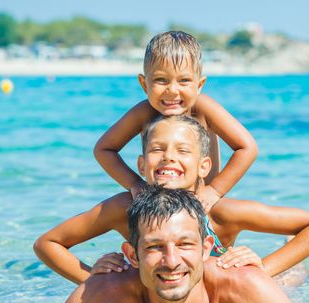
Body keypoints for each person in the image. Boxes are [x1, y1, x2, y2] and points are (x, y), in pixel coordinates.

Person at [34, 115, 309, 284]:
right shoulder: (125, 208)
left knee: (288, 283)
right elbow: (47, 243)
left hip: (222, 288)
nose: (168, 157)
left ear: (203, 167)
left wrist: (264, 270)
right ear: (141, 165)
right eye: (158, 149)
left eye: (182, 151)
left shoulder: (219, 213)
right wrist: (91, 278)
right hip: (172, 292)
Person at [33, 185, 309, 303]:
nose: (171, 261)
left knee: (285, 285)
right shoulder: (104, 293)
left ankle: (289, 271)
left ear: (206, 248)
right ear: (132, 255)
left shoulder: (245, 287)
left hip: (240, 285)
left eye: (185, 244)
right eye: (155, 247)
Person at [93, 30, 258, 212]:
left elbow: (247, 147)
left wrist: (214, 190)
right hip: (160, 204)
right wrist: (135, 184)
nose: (172, 90)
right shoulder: (144, 113)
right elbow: (104, 149)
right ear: (144, 84)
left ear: (199, 85)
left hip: (202, 203)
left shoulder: (203, 108)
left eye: (184, 80)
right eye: (161, 80)